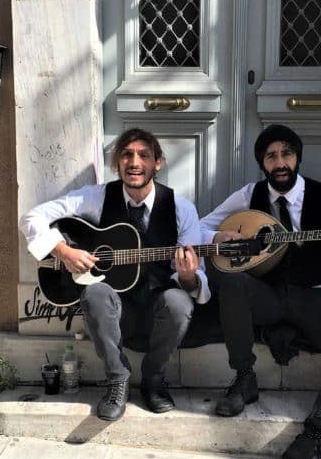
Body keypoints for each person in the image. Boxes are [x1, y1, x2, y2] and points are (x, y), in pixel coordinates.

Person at [199, 124, 321, 459]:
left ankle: (311, 440)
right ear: (262, 163)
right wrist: (218, 237)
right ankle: (244, 378)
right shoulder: (249, 194)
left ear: (296, 157)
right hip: (266, 293)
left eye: (286, 154)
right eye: (271, 156)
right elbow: (197, 228)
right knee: (230, 281)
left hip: (314, 296)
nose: (280, 162)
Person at [20, 127, 210, 421]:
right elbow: (32, 217)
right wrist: (64, 252)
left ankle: (153, 379)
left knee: (180, 302)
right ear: (117, 163)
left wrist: (188, 276)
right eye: (127, 155)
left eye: (144, 156)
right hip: (114, 310)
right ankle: (117, 380)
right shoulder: (95, 198)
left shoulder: (180, 208)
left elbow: (198, 280)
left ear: (157, 163)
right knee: (94, 292)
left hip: (156, 308)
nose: (134, 162)